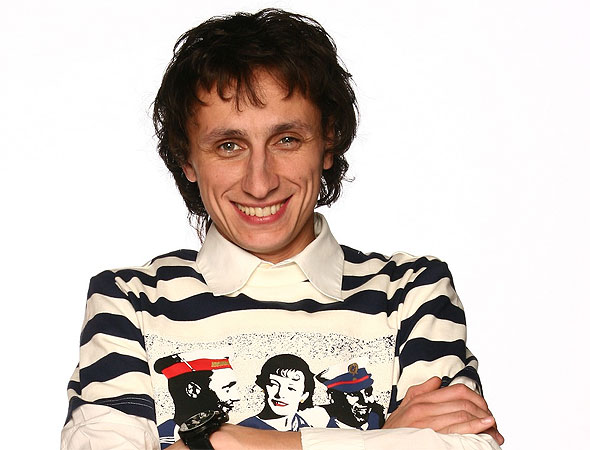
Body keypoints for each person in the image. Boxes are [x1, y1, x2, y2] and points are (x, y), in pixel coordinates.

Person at [61, 8, 504, 450]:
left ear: (328, 142)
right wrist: (385, 439)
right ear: (186, 159)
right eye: (229, 145)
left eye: (287, 140)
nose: (260, 183)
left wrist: (229, 442)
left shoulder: (412, 293)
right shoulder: (130, 302)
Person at [239, 354, 314, 431]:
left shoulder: (306, 429)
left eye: (291, 388)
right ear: (263, 387)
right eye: (273, 385)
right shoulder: (245, 429)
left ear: (304, 396)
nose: (280, 394)